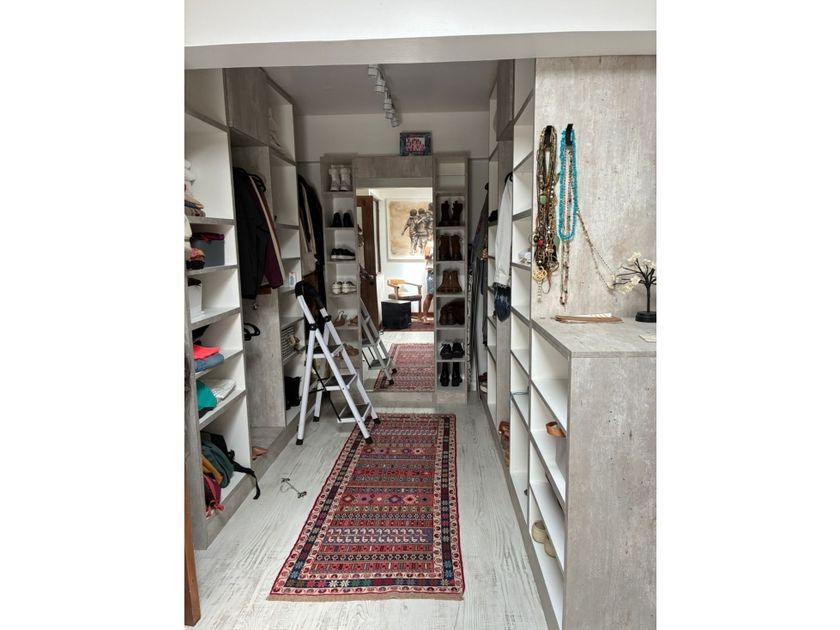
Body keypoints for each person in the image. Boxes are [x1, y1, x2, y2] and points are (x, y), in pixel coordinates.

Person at [420, 241, 434, 323]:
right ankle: (424, 317)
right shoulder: (429, 243)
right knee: (430, 294)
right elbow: (426, 256)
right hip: (432, 271)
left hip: (441, 269)